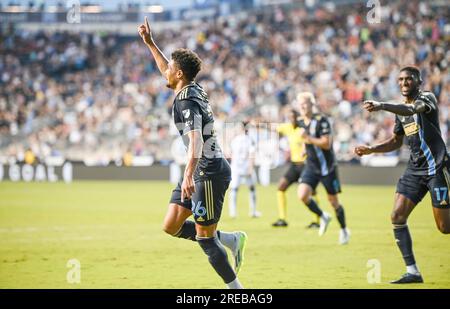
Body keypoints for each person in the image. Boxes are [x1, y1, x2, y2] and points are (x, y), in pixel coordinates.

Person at [138, 17, 247, 289]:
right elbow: (166, 68)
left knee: (206, 240)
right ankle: (232, 239)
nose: (166, 71)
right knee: (171, 225)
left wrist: (188, 175)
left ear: (179, 75)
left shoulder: (185, 99)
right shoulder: (192, 87)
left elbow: (196, 140)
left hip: (208, 172)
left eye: (171, 69)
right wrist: (151, 44)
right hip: (200, 169)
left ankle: (238, 291)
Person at [355, 66, 450, 284]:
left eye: (409, 79)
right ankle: (413, 272)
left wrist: (381, 105)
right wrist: (371, 149)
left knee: (445, 228)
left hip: (436, 168)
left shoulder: (427, 98)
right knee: (397, 216)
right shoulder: (400, 112)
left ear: (419, 81)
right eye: (400, 79)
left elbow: (412, 110)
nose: (404, 83)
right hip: (414, 170)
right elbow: (396, 142)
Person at [297, 92, 350, 244]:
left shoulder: (322, 120)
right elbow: (306, 141)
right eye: (300, 104)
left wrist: (308, 139)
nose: (302, 107)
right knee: (302, 195)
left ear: (312, 105)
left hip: (327, 168)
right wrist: (304, 148)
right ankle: (323, 216)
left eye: (305, 103)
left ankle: (344, 229)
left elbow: (326, 143)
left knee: (333, 202)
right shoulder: (301, 121)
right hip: (311, 167)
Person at [272, 108, 320, 228]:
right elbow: (274, 128)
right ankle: (282, 219)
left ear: (298, 118)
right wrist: (257, 125)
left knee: (311, 192)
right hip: (294, 165)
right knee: (281, 187)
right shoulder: (287, 127)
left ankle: (317, 220)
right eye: (289, 117)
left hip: (305, 164)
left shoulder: (303, 129)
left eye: (293, 117)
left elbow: (312, 142)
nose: (291, 119)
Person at [229, 121, 261, 218]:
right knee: (252, 189)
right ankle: (253, 211)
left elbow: (232, 154)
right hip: (247, 167)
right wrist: (251, 167)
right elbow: (252, 154)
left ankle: (233, 212)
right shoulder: (249, 140)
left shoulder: (235, 140)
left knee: (234, 189)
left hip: (236, 168)